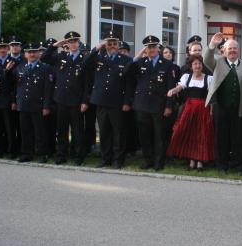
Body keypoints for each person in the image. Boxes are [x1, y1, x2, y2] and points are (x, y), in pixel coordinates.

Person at [204, 32, 242, 175]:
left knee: (240, 137)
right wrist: (212, 44)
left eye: (235, 48)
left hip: (241, 107)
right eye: (229, 48)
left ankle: (241, 166)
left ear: (238, 50)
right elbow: (206, 59)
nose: (232, 51)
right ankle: (222, 166)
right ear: (224, 50)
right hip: (221, 107)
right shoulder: (218, 62)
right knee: (221, 138)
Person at [83, 31, 133, 169]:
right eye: (109, 43)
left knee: (118, 133)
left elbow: (129, 84)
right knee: (104, 132)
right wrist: (98, 47)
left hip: (117, 102)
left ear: (118, 45)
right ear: (105, 45)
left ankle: (118, 159)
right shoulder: (99, 58)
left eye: (114, 43)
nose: (112, 46)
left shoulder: (126, 60)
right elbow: (85, 63)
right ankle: (106, 158)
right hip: (101, 101)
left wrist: (127, 102)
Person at [41, 31, 88, 165]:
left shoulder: (84, 58)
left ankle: (79, 155)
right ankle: (61, 154)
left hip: (76, 100)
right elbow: (44, 58)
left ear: (78, 42)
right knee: (62, 130)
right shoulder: (60, 56)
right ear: (66, 44)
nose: (73, 44)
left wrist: (85, 101)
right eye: (70, 42)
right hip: (61, 99)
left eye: (75, 41)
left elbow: (87, 82)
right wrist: (55, 46)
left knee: (77, 130)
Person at [129, 35, 175, 170]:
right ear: (145, 49)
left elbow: (170, 87)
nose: (152, 49)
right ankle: (148, 160)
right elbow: (126, 71)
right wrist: (138, 56)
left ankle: (158, 162)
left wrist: (168, 106)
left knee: (159, 135)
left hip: (159, 106)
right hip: (142, 105)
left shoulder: (167, 64)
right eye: (149, 47)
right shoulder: (140, 63)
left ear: (158, 48)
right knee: (144, 135)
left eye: (154, 46)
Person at [167, 55, 214, 170]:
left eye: (199, 64)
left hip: (203, 110)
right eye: (195, 64)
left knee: (201, 135)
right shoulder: (186, 77)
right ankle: (191, 160)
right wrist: (173, 90)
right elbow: (180, 87)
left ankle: (200, 161)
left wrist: (212, 111)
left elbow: (212, 97)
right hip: (189, 110)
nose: (197, 66)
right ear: (191, 66)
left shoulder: (208, 78)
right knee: (189, 134)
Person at [11, 42, 53, 163]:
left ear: (39, 53)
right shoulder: (20, 67)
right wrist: (15, 101)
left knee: (40, 132)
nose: (32, 54)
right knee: (25, 131)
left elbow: (47, 89)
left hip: (38, 105)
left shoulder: (45, 68)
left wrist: (46, 106)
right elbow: (15, 87)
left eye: (34, 51)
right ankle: (27, 153)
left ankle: (42, 154)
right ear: (25, 54)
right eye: (29, 52)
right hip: (23, 104)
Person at [0, 38, 15, 157]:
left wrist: (7, 71)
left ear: (8, 48)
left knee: (9, 127)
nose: (2, 50)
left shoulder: (13, 61)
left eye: (4, 47)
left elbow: (14, 82)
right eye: (0, 47)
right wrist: (4, 71)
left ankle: (11, 150)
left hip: (7, 100)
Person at [161, 45, 181, 157]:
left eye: (170, 52)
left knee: (171, 129)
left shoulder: (176, 68)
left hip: (173, 101)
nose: (168, 54)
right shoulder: (160, 67)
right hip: (162, 101)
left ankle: (171, 152)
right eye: (165, 52)